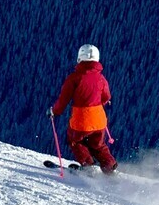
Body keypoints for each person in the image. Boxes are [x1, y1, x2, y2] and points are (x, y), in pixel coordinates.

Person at [48, 44, 117, 173]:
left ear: (80, 58)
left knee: (75, 141)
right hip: (99, 119)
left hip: (81, 120)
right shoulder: (101, 78)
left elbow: (63, 100)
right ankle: (109, 165)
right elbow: (106, 96)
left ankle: (88, 166)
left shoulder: (74, 78)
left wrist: (54, 111)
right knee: (98, 145)